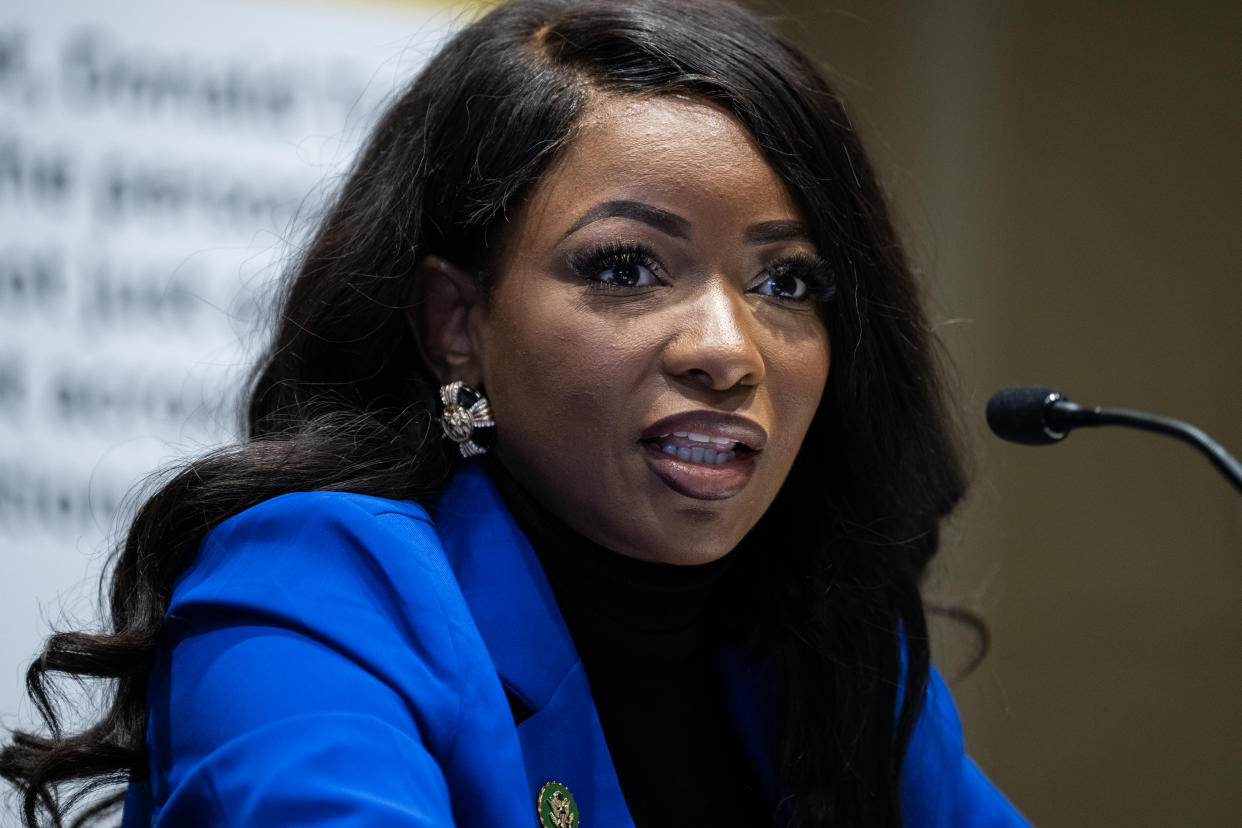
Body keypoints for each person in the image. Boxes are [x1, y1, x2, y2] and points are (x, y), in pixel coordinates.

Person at [1, 0, 1031, 825]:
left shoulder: (823, 644)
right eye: (626, 267)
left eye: (787, 282)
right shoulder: (322, 593)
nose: (727, 349)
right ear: (457, 322)